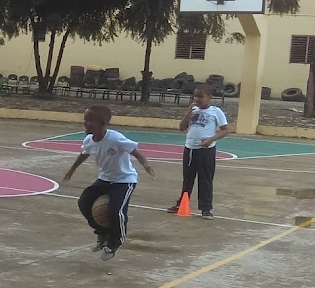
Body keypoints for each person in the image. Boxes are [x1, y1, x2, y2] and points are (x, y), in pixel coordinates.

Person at [63, 105, 155, 261]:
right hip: (105, 179)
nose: (86, 123)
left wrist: (145, 164)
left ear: (103, 123)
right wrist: (72, 169)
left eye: (90, 120)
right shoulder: (89, 140)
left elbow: (136, 152)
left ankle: (115, 242)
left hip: (124, 181)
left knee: (116, 212)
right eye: (85, 119)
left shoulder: (115, 138)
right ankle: (102, 233)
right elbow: (84, 153)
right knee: (84, 202)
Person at [167, 85, 230, 220]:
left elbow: (225, 130)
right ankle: (182, 203)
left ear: (209, 98)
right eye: (195, 96)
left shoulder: (216, 111)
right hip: (190, 149)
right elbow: (181, 128)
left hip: (206, 151)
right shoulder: (193, 110)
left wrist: (211, 139)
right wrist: (188, 112)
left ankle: (206, 208)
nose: (197, 99)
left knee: (205, 179)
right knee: (188, 178)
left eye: (201, 96)